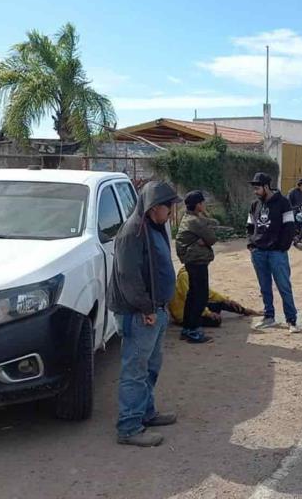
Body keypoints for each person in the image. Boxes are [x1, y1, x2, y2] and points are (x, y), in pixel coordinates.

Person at [109, 180, 181, 447]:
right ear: (153, 207)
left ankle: (146, 413)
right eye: (168, 207)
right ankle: (129, 427)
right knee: (135, 370)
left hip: (154, 311)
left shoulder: (155, 227)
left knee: (151, 366)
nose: (171, 212)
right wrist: (146, 308)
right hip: (140, 313)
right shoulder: (133, 233)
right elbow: (128, 276)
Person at [247, 172, 301, 333]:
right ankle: (268, 316)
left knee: (284, 286)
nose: (255, 191)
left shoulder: (283, 203)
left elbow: (290, 226)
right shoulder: (255, 205)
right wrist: (252, 244)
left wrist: (282, 247)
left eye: (257, 188)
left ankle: (291, 321)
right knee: (264, 286)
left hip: (277, 253)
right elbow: (249, 226)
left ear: (266, 187)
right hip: (258, 252)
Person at [175, 190, 216, 344]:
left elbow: (212, 226)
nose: (204, 205)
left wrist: (203, 239)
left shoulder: (190, 218)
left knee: (193, 295)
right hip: (197, 261)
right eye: (203, 203)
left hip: (193, 261)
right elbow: (212, 238)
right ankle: (192, 330)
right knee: (200, 296)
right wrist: (205, 239)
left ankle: (188, 329)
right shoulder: (194, 221)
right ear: (198, 205)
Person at [169, 266, 263, 328]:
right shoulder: (185, 276)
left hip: (193, 307)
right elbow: (191, 300)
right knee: (216, 321)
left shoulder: (194, 272)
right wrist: (207, 313)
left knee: (222, 303)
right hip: (183, 314)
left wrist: (227, 300)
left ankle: (245, 311)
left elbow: (208, 293)